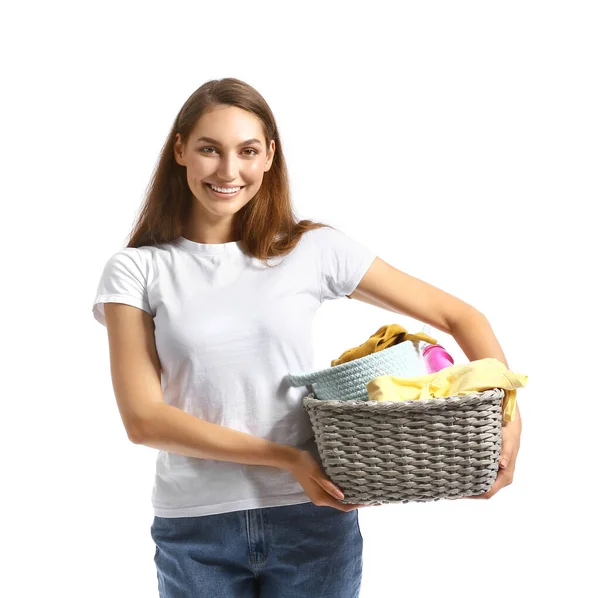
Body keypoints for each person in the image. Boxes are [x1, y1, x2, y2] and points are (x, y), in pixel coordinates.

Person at [92, 77, 522, 598]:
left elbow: (461, 317)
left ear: (269, 156)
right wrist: (288, 457)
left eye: (247, 151)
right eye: (210, 149)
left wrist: (508, 421)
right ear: (180, 149)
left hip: (313, 520)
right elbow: (144, 420)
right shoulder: (137, 270)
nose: (229, 171)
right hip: (196, 524)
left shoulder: (311, 250)